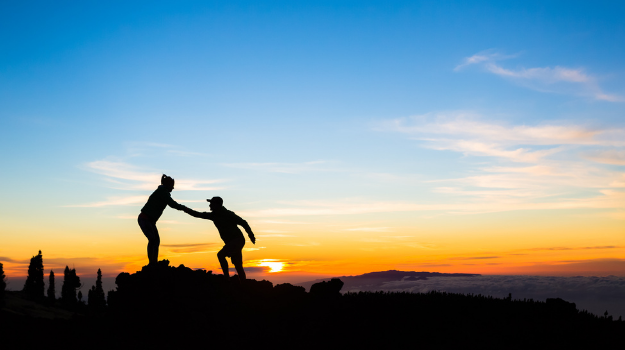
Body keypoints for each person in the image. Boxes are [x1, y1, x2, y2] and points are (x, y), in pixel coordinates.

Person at [181, 196, 256, 282]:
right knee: (238, 264)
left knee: (221, 255)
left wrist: (251, 235)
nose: (209, 206)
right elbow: (198, 214)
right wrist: (185, 209)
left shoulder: (228, 214)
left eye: (211, 204)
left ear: (217, 205)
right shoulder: (213, 215)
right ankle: (243, 285)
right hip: (232, 242)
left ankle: (226, 279)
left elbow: (243, 223)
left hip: (238, 240)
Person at [138, 174, 187, 266]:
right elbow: (172, 204)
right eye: (172, 186)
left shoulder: (162, 191)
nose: (172, 188)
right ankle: (152, 263)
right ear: (167, 185)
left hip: (150, 221)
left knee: (155, 240)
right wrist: (184, 208)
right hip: (145, 219)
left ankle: (153, 262)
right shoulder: (162, 191)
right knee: (153, 240)